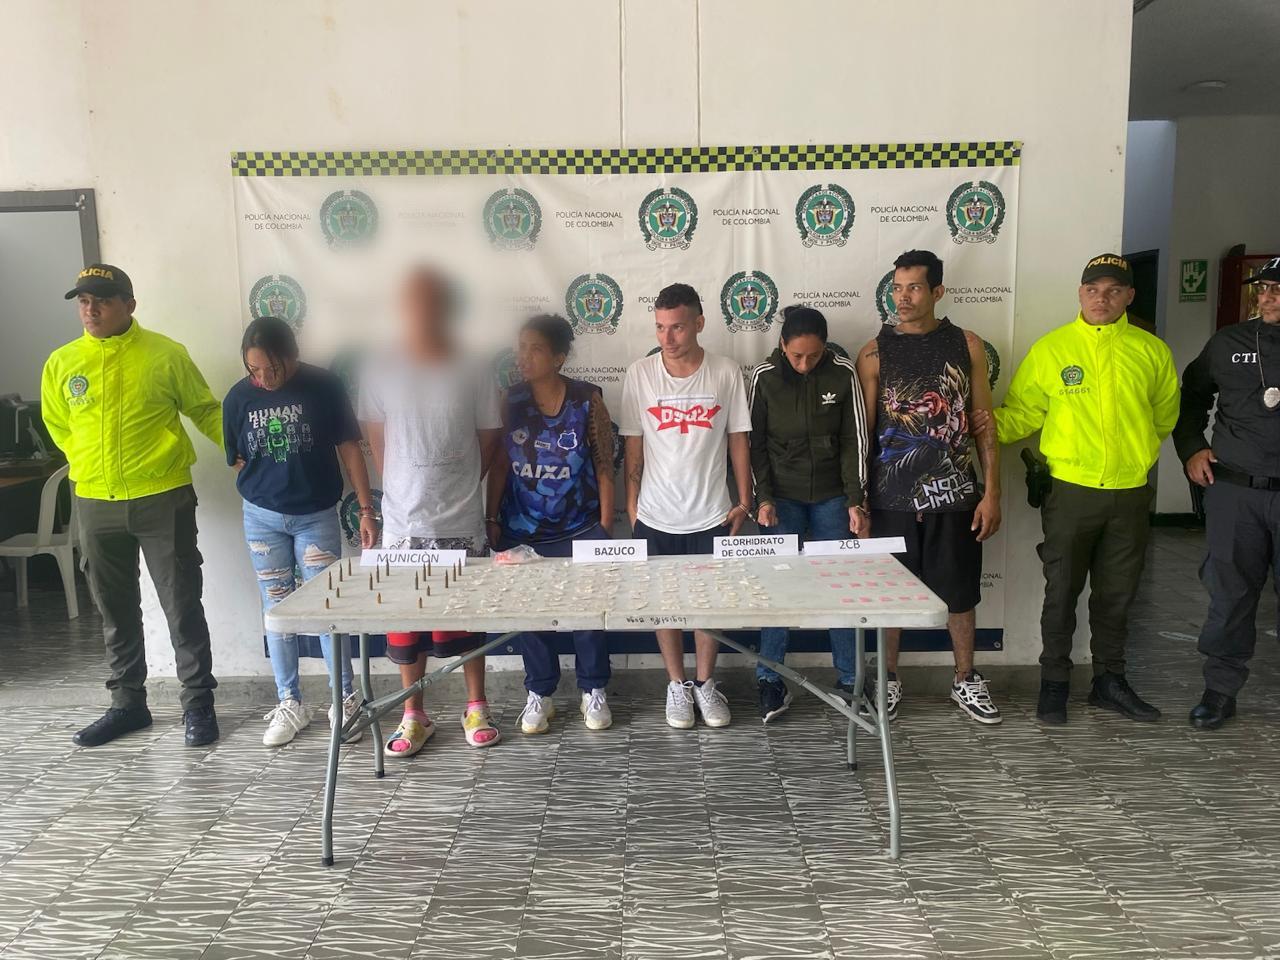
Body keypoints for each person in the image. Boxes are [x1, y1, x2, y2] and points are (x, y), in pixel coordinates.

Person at [41, 264, 222, 747]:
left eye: (102, 300)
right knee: (114, 608)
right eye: (83, 301)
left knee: (181, 603)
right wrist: (89, 465)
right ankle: (128, 705)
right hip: (95, 501)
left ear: (130, 305)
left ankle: (198, 704)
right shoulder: (62, 362)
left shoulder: (165, 354)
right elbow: (59, 426)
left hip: (163, 497)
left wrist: (243, 454)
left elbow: (204, 410)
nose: (91, 310)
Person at [994, 253, 1179, 724]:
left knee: (1117, 595)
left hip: (1130, 493)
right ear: (1080, 293)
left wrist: (1133, 458)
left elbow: (1163, 418)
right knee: (1061, 593)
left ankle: (1109, 682)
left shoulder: (1151, 351)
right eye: (1093, 289)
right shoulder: (1052, 349)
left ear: (1129, 296)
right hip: (1070, 493)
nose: (1102, 298)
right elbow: (1022, 414)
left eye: (1113, 290)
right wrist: (972, 427)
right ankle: (1054, 684)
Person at [358, 267, 502, 757]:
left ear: (448, 307)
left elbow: (489, 437)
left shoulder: (475, 366)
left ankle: (476, 706)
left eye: (433, 300)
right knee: (407, 622)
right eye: (414, 301)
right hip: (403, 522)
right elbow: (378, 442)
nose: (423, 310)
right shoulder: (380, 367)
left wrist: (457, 485)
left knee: (467, 618)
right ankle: (413, 714)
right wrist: (406, 491)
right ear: (403, 307)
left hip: (461, 518)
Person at [856, 249, 1002, 724]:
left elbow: (984, 424)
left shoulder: (967, 344)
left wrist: (992, 492)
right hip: (891, 499)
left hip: (955, 495)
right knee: (890, 597)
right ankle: (888, 679)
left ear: (937, 292)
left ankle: (965, 678)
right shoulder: (874, 352)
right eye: (897, 288)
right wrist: (861, 501)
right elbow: (864, 436)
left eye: (914, 288)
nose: (903, 297)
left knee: (960, 596)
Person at [223, 316, 378, 747]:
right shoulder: (238, 397)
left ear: (292, 356)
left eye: (272, 368)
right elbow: (238, 458)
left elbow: (349, 448)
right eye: (254, 369)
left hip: (315, 515)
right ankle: (290, 701)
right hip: (261, 517)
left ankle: (344, 698)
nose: (264, 378)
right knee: (277, 608)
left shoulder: (323, 385)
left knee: (327, 606)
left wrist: (366, 509)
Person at [620, 282, 753, 730]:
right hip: (656, 514)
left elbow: (738, 439)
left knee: (709, 605)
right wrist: (632, 508)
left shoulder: (725, 371)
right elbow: (633, 448)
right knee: (665, 605)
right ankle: (676, 684)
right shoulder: (640, 373)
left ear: (699, 323)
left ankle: (705, 682)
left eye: (677, 327)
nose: (668, 337)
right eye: (660, 327)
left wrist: (744, 500)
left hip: (712, 512)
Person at [484, 315, 616, 733]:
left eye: (535, 349)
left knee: (587, 613)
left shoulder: (587, 399)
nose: (523, 357)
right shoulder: (510, 400)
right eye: (521, 347)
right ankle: (540, 693)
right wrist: (491, 516)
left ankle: (593, 689)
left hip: (580, 526)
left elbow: (604, 463)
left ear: (558, 357)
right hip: (522, 529)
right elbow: (500, 464)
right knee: (531, 614)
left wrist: (605, 525)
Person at [748, 305, 869, 722]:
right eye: (796, 356)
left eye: (813, 356)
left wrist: (856, 499)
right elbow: (754, 444)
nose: (804, 364)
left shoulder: (843, 372)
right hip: (781, 499)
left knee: (841, 586)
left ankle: (851, 681)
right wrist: (763, 498)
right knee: (778, 588)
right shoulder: (764, 378)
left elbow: (855, 439)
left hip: (833, 498)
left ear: (825, 348)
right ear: (782, 345)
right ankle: (770, 680)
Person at [1174, 257, 1280, 729]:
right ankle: (1219, 691)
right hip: (1236, 491)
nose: (1267, 296)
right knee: (1230, 594)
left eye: (1277, 289)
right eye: (1263, 288)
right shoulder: (1229, 342)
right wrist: (1192, 448)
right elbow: (1192, 396)